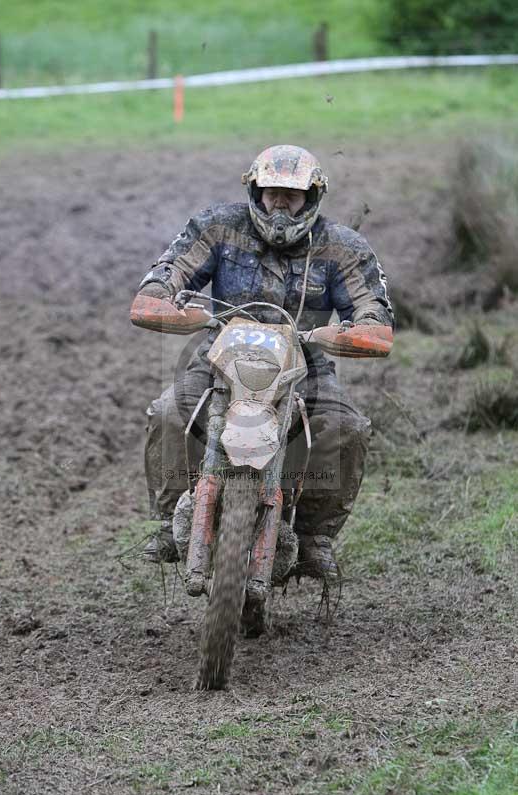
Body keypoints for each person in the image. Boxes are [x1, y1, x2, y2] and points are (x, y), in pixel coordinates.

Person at [134, 144, 393, 581]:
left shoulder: (342, 248)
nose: (280, 204)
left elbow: (374, 309)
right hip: (220, 356)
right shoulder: (217, 227)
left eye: (291, 196)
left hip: (307, 363)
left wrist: (358, 327)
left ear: (312, 198)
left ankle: (314, 536)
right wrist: (162, 294)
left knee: (346, 428)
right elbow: (170, 270)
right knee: (168, 412)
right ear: (255, 190)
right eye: (272, 192)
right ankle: (168, 523)